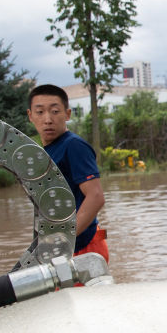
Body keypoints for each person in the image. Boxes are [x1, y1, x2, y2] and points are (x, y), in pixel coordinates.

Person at [28, 84, 109, 263]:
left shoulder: (73, 146)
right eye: (40, 112)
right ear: (30, 116)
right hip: (64, 250)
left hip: (83, 248)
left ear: (68, 114)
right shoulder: (50, 150)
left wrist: (63, 238)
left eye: (55, 111)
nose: (48, 119)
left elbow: (96, 196)